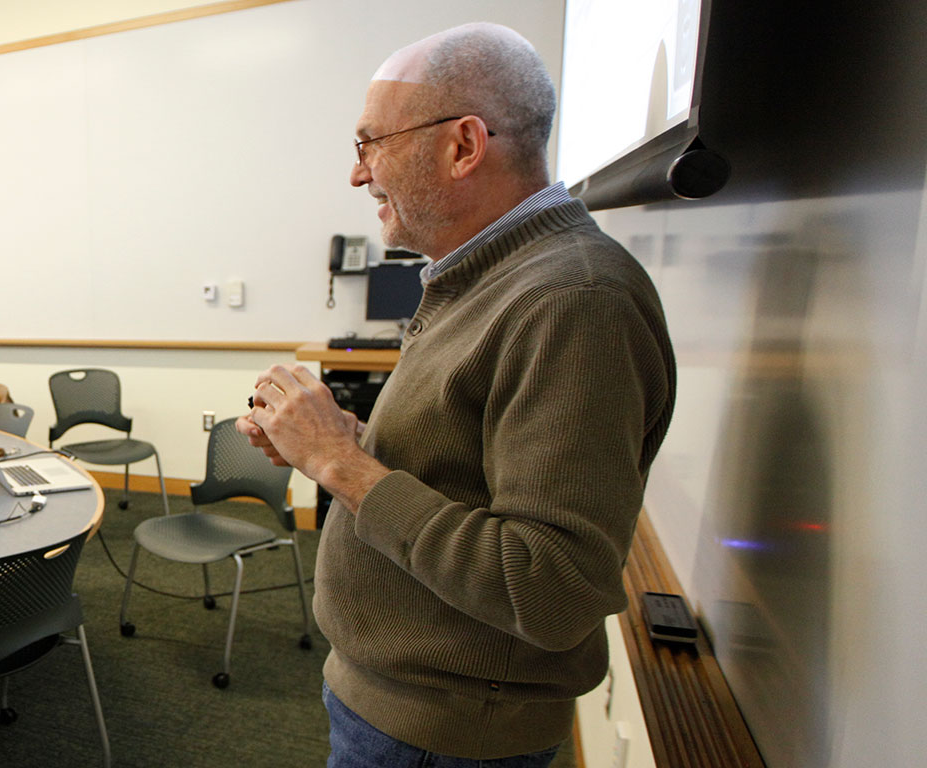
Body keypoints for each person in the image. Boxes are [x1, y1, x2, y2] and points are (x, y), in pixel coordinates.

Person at [238, 24, 676, 768]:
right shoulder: (496, 276)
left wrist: (342, 463)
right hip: (397, 703)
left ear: (464, 146)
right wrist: (335, 441)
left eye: (369, 143)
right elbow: (461, 465)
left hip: (443, 735)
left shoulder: (573, 299)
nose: (357, 175)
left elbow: (551, 587)